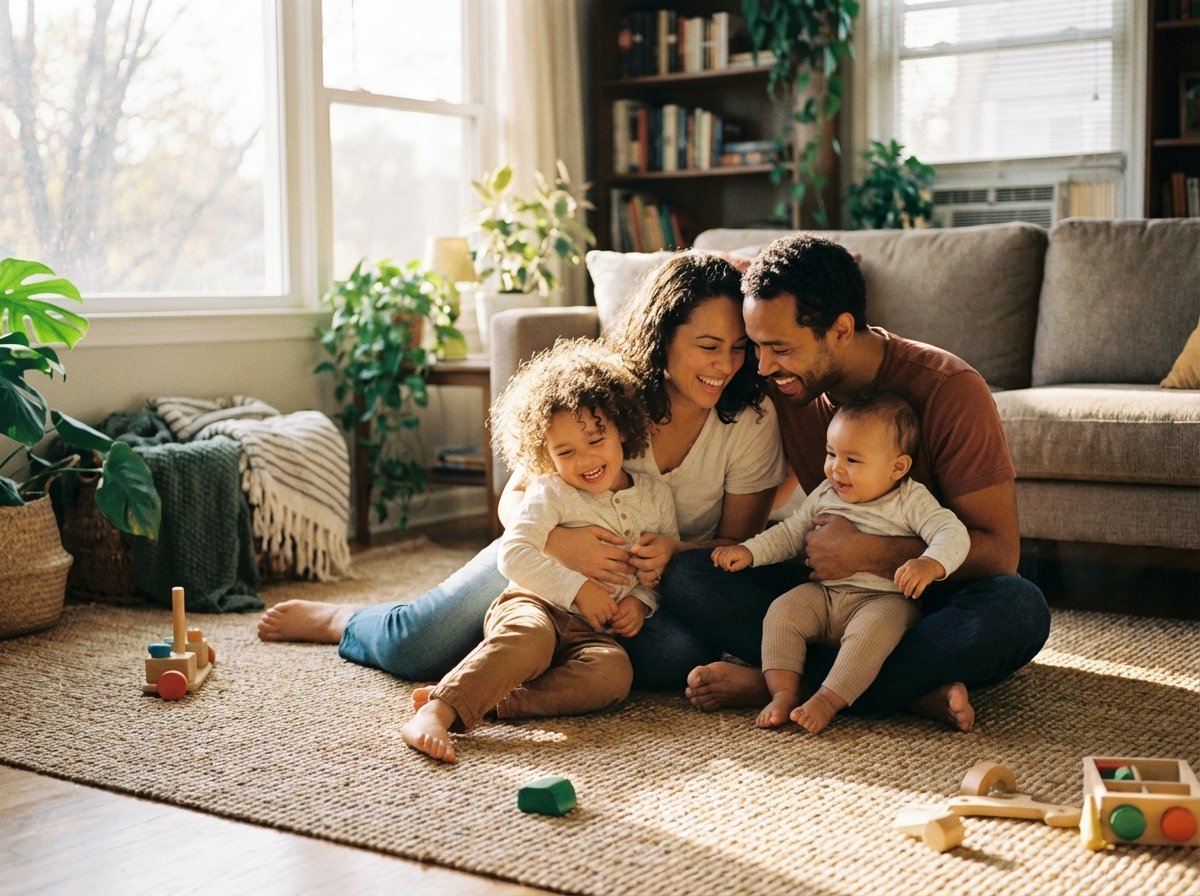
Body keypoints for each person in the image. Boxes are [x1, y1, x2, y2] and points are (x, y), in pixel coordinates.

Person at [258, 252, 787, 691]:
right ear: (663, 336)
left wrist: (673, 553)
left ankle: (528, 648)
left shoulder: (749, 418)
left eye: (739, 349)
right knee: (415, 647)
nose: (726, 365)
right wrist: (559, 543)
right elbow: (512, 499)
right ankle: (346, 621)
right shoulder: (607, 398)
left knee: (677, 661)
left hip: (636, 592)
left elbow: (734, 543)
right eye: (708, 347)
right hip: (544, 556)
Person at [666, 232, 1051, 732]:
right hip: (825, 587)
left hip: (929, 595)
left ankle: (790, 683)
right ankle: (901, 690)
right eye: (756, 346)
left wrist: (868, 553)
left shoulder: (950, 390)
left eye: (779, 348)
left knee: (1020, 609)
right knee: (689, 575)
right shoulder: (782, 381)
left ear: (842, 329)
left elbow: (1000, 554)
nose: (761, 367)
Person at [401, 338, 677, 762]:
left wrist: (640, 603)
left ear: (622, 427)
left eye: (595, 441)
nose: (585, 461)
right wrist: (578, 589)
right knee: (528, 639)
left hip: (592, 634)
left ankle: (488, 700)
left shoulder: (655, 497)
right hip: (535, 604)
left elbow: (657, 572)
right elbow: (513, 553)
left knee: (614, 675)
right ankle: (439, 712)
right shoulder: (552, 491)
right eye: (565, 451)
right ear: (544, 454)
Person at [711, 388, 969, 734]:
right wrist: (749, 552)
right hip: (825, 595)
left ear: (898, 467)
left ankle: (827, 699)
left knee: (871, 633)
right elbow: (790, 534)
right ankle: (784, 693)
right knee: (782, 612)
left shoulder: (910, 499)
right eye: (831, 454)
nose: (836, 469)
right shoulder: (825, 493)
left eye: (853, 460)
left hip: (882, 601)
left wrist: (929, 563)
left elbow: (953, 532)